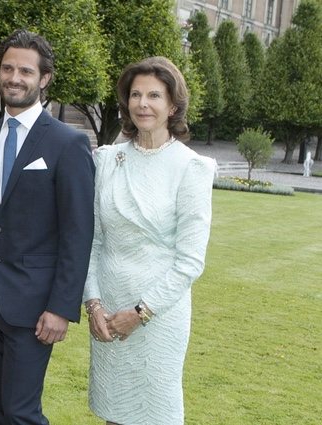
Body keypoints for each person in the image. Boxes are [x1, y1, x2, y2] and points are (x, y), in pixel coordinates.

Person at [0, 29, 95, 424]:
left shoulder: (68, 143)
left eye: (25, 70)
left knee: (21, 412)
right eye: (7, 68)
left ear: (44, 79)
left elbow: (78, 233)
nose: (14, 77)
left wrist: (61, 307)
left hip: (36, 306)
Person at [83, 56, 215, 425]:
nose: (143, 103)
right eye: (136, 94)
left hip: (159, 316)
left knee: (154, 414)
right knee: (114, 413)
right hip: (107, 310)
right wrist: (93, 305)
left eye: (154, 95)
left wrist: (140, 314)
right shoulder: (107, 160)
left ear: (173, 105)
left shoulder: (191, 168)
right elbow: (91, 241)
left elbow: (189, 261)